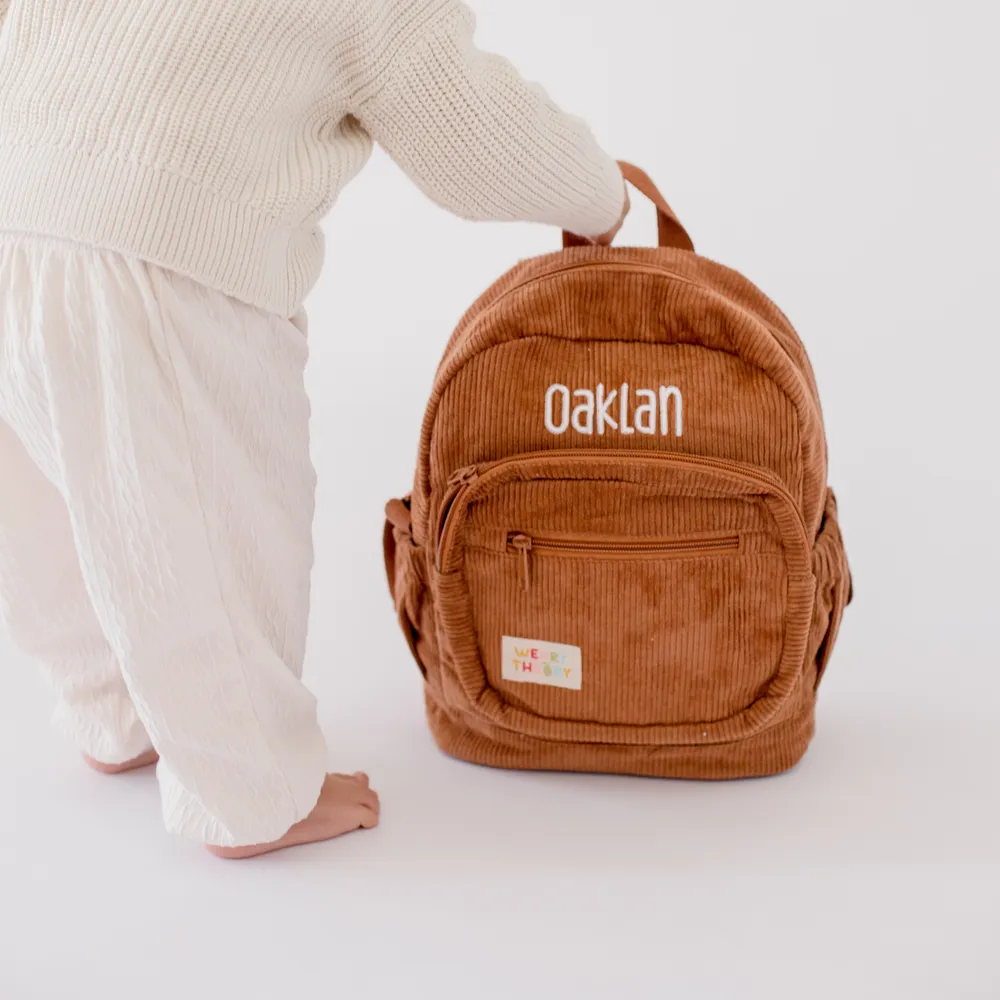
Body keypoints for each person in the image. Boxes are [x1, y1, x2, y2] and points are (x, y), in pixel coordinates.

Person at [0, 0, 628, 858]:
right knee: (215, 539)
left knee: (55, 508)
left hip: (14, 208)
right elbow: (475, 132)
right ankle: (252, 791)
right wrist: (599, 193)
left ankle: (110, 711)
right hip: (163, 254)